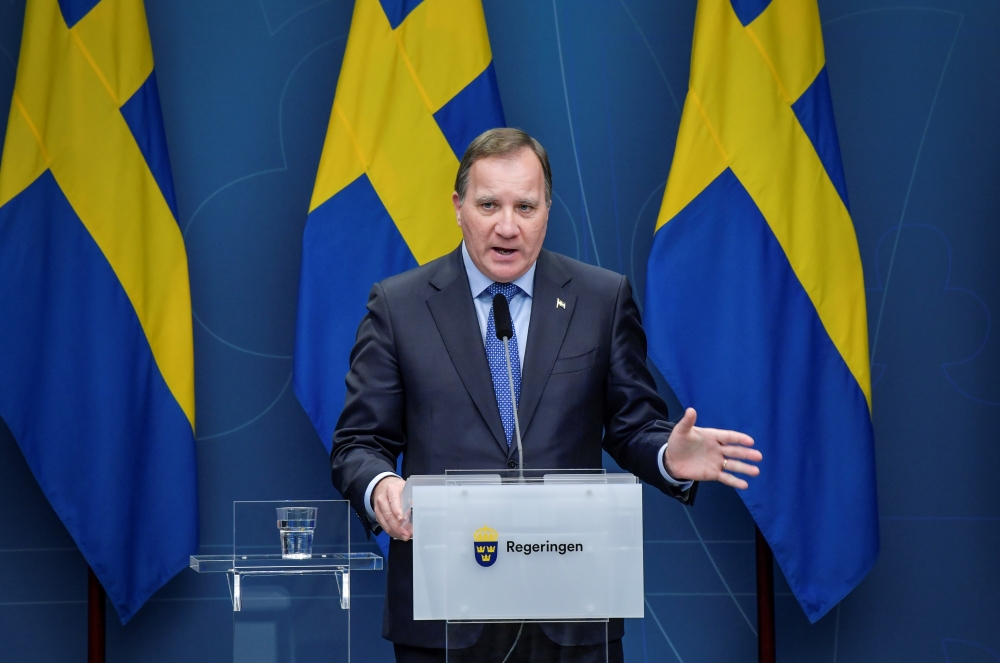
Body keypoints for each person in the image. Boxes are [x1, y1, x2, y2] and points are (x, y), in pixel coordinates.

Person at [330, 128, 762, 663]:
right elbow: (357, 443)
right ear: (459, 207)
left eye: (525, 207)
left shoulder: (603, 299)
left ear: (547, 211)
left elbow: (631, 425)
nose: (507, 226)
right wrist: (381, 487)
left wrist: (666, 456)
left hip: (571, 612)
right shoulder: (399, 306)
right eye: (489, 204)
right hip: (444, 616)